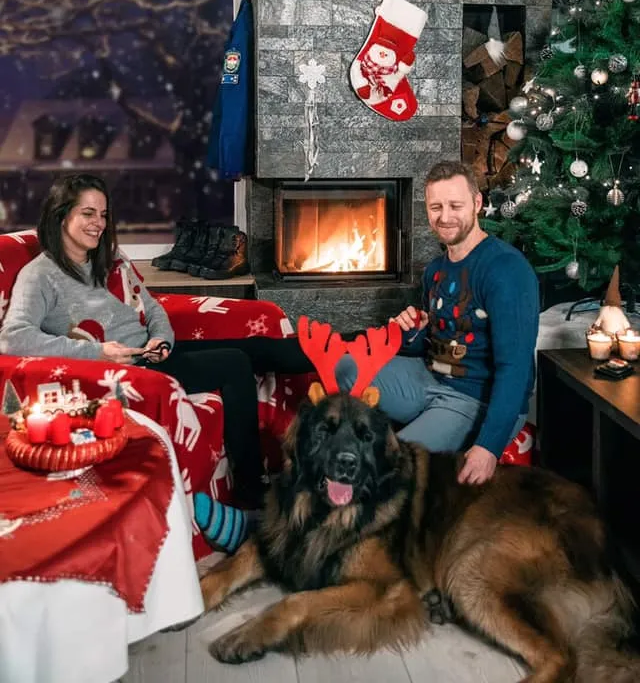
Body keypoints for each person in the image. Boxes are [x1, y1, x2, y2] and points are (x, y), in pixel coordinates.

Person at [0, 173, 314, 552]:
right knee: (234, 363)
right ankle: (250, 492)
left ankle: (349, 352)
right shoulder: (40, 275)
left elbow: (152, 307)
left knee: (259, 347)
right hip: (129, 373)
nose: (99, 223)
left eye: (103, 214)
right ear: (60, 215)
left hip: (153, 353)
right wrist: (98, 353)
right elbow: (12, 337)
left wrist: (162, 338)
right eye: (88, 213)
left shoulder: (110, 259)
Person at [336, 160, 539, 486]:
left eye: (455, 206)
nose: (445, 216)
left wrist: (488, 446)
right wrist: (411, 331)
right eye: (436, 207)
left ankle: (406, 443)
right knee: (345, 368)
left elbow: (516, 368)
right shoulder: (435, 270)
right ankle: (406, 428)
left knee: (391, 467)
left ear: (477, 203)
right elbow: (428, 342)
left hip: (473, 396)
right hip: (430, 376)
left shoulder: (505, 270)